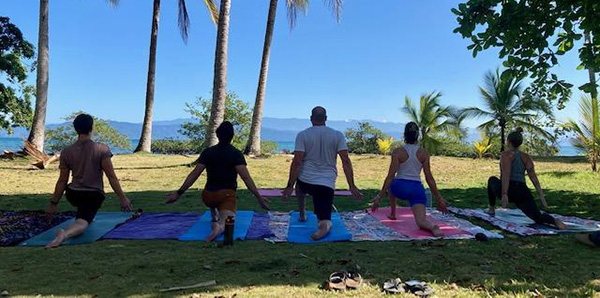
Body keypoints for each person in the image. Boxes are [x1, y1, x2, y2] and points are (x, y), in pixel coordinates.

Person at [166, 121, 269, 242]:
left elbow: (194, 174)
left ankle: (214, 216)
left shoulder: (208, 152)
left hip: (208, 196)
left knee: (215, 202)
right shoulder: (235, 154)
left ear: (217, 135)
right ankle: (219, 228)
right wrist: (259, 197)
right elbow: (246, 178)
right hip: (225, 195)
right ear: (232, 136)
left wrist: (179, 193)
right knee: (228, 221)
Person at [45, 114, 132, 248]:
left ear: (76, 130)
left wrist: (53, 203)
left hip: (73, 194)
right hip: (92, 195)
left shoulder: (67, 152)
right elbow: (111, 176)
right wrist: (123, 198)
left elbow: (62, 180)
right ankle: (64, 235)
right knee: (82, 222)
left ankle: (87, 215)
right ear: (92, 128)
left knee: (85, 208)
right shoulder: (102, 149)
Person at [282, 106, 362, 241]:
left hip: (305, 181)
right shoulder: (337, 135)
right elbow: (346, 161)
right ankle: (321, 225)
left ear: (311, 119)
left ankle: (302, 213)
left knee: (299, 187)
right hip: (326, 184)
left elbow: (297, 162)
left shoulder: (303, 135)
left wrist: (290, 185)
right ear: (326, 119)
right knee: (324, 220)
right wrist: (352, 186)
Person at [371, 122, 449, 237]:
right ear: (417, 136)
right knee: (421, 221)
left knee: (392, 184)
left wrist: (379, 196)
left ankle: (393, 213)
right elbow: (429, 178)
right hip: (417, 189)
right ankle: (433, 227)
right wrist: (439, 198)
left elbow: (390, 176)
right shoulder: (424, 153)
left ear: (404, 135)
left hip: (400, 188)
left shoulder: (398, 152)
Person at [487, 127, 566, 230]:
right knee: (537, 217)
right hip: (522, 191)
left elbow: (506, 175)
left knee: (491, 179)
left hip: (509, 190)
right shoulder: (526, 157)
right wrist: (542, 197)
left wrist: (504, 194)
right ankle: (555, 221)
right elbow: (533, 178)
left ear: (508, 142)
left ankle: (492, 208)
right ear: (520, 143)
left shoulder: (505, 155)